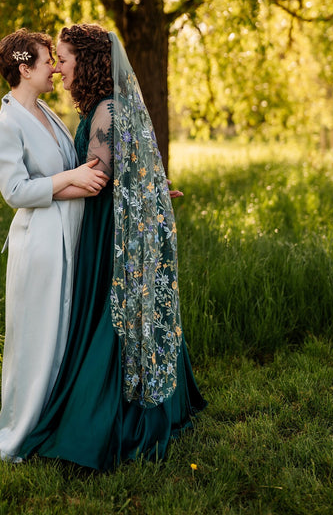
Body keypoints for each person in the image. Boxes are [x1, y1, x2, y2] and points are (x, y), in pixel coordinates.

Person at [21, 24, 207, 470]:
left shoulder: (106, 111)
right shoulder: (106, 107)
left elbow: (99, 179)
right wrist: (155, 193)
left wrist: (33, 190)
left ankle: (101, 419)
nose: (60, 70)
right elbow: (136, 168)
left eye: (63, 60)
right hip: (113, 223)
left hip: (109, 232)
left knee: (111, 316)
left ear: (86, 61)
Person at [0, 28, 109, 462]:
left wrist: (121, 186)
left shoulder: (46, 112)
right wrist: (70, 180)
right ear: (25, 68)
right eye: (46, 61)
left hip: (68, 235)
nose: (56, 68)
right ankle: (19, 434)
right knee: (36, 340)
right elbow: (16, 191)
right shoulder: (5, 126)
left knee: (60, 335)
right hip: (38, 243)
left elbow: (84, 176)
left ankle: (53, 419)